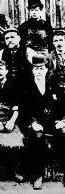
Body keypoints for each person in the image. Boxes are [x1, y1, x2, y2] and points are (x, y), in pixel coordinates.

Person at [22, 54, 65, 189]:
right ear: (33, 70)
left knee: (64, 132)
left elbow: (63, 105)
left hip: (52, 121)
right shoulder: (27, 87)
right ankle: (37, 175)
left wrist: (62, 120)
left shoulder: (53, 85)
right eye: (36, 69)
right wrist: (32, 123)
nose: (39, 71)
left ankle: (63, 172)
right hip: (35, 123)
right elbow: (23, 109)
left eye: (41, 69)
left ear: (46, 70)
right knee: (38, 137)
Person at [49, 29, 65, 187]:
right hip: (57, 97)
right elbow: (47, 78)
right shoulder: (50, 58)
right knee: (59, 130)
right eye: (56, 41)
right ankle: (61, 168)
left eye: (61, 40)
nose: (59, 43)